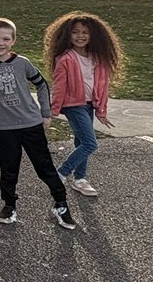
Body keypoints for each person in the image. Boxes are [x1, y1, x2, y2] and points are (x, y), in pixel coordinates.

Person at [0, 18, 77, 230]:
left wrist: (45, 113)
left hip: (31, 124)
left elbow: (41, 85)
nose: (0, 43)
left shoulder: (23, 62)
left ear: (13, 40)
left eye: (5, 38)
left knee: (44, 167)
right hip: (5, 128)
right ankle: (9, 205)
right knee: (9, 169)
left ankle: (61, 204)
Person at [45, 11, 124, 197]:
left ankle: (80, 179)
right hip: (73, 105)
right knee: (90, 143)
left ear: (93, 36)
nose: (80, 36)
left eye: (85, 32)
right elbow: (58, 86)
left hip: (89, 105)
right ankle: (61, 173)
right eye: (75, 32)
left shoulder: (98, 59)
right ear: (67, 35)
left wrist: (101, 110)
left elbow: (102, 87)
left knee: (81, 141)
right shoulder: (65, 59)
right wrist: (53, 110)